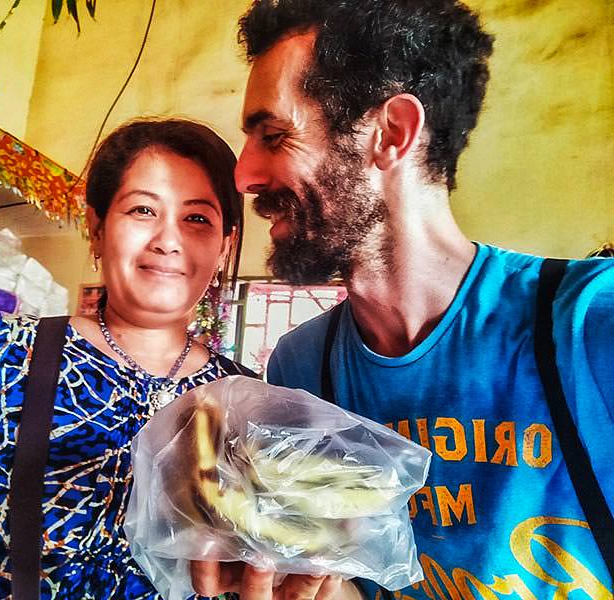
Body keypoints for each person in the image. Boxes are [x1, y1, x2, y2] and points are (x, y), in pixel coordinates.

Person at [192, 1, 614, 599]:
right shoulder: (302, 370)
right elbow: (343, 582)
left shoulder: (591, 325)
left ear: (391, 134)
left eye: (274, 135)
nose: (244, 176)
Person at [0, 118, 255, 599]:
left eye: (197, 219)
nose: (168, 241)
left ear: (225, 245)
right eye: (143, 210)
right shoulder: (4, 357)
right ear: (96, 228)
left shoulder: (245, 401)